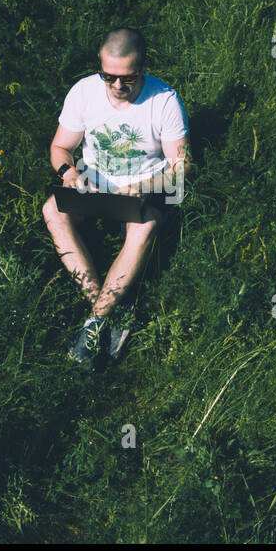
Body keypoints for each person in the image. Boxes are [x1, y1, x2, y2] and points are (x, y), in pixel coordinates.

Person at [42, 28, 195, 370]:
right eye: (107, 76)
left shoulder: (164, 100)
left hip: (141, 188)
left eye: (127, 78)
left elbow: (182, 167)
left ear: (143, 67)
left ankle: (93, 325)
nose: (116, 86)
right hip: (92, 185)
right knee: (52, 210)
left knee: (146, 225)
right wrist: (69, 173)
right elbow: (60, 147)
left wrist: (144, 187)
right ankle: (104, 314)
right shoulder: (84, 92)